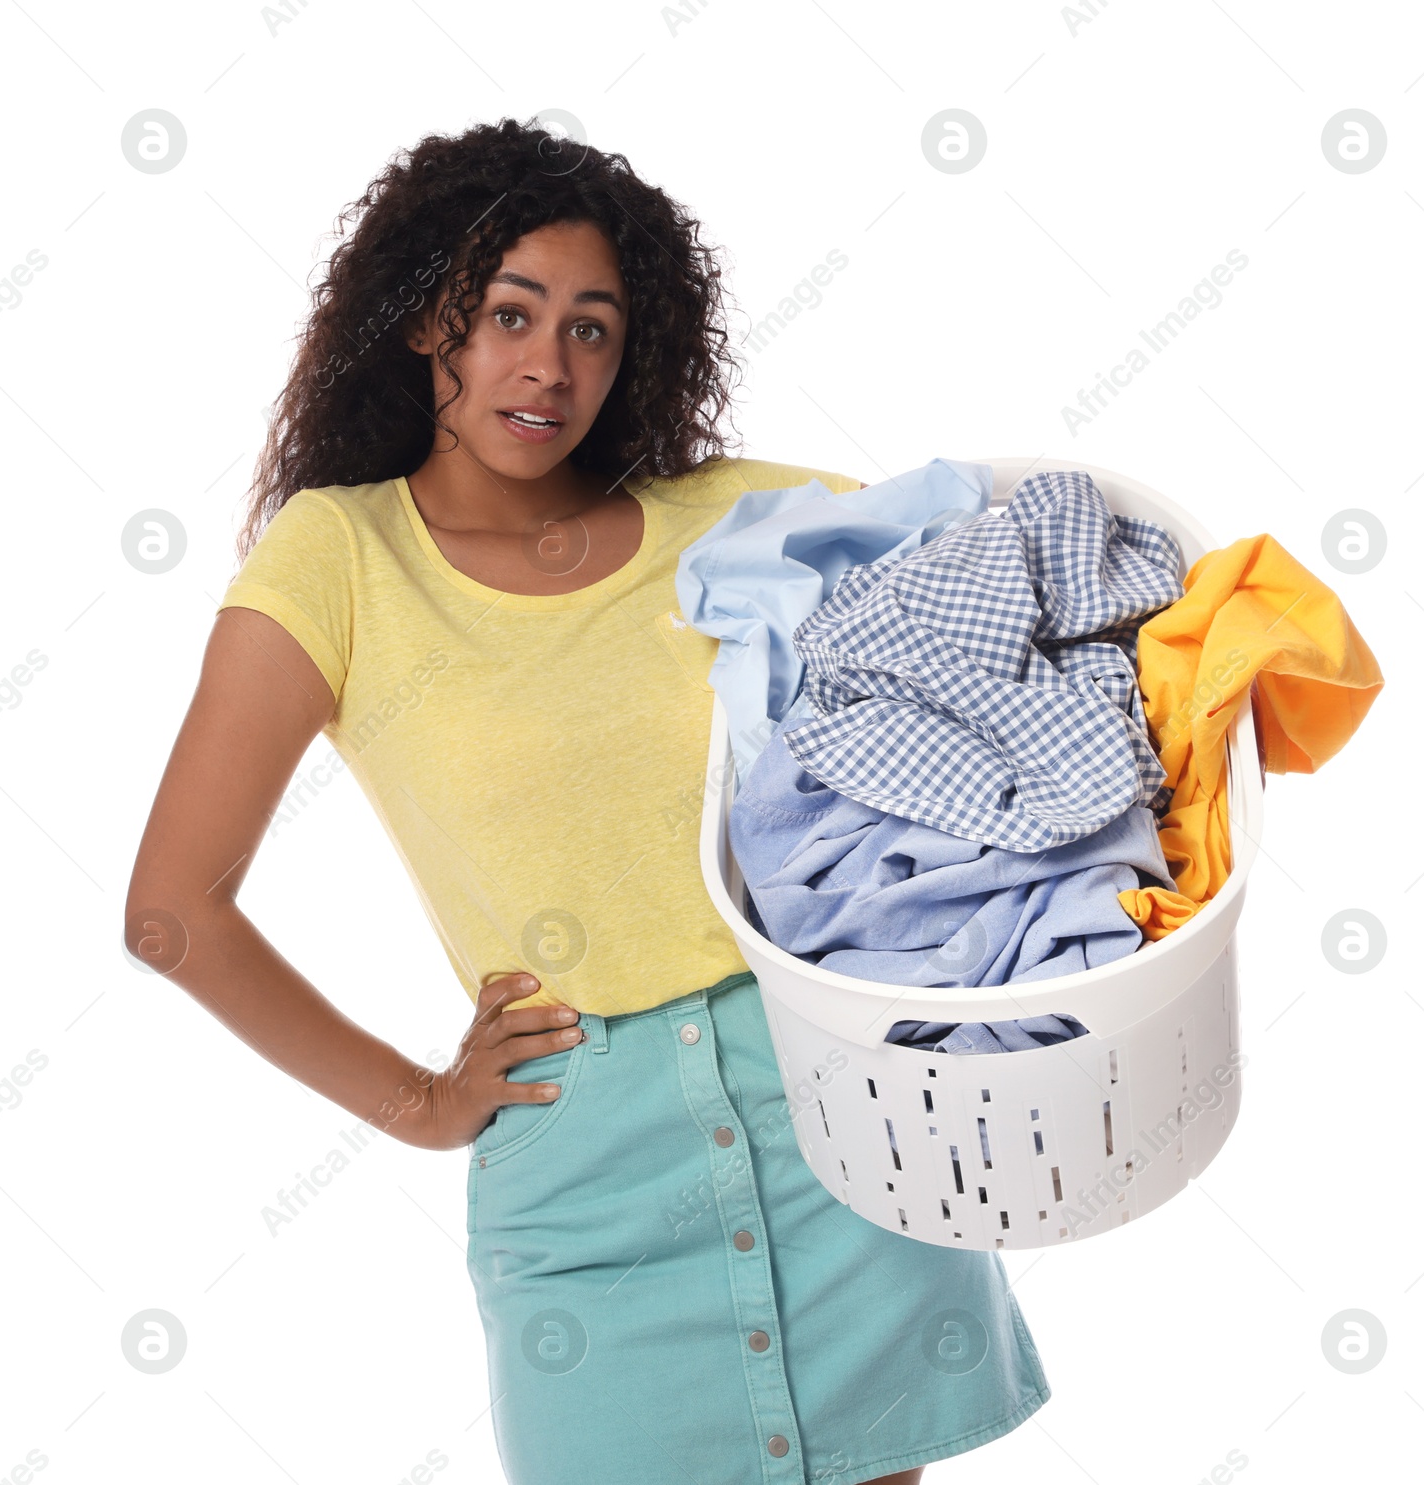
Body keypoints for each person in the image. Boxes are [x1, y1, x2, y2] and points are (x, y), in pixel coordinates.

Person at [125, 116, 1051, 1484]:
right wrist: (422, 1105)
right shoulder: (340, 558)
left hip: (840, 1123)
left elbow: (1009, 590)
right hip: (583, 1186)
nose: (548, 366)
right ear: (427, 322)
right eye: (510, 314)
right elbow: (173, 910)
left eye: (593, 329)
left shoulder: (739, 519)